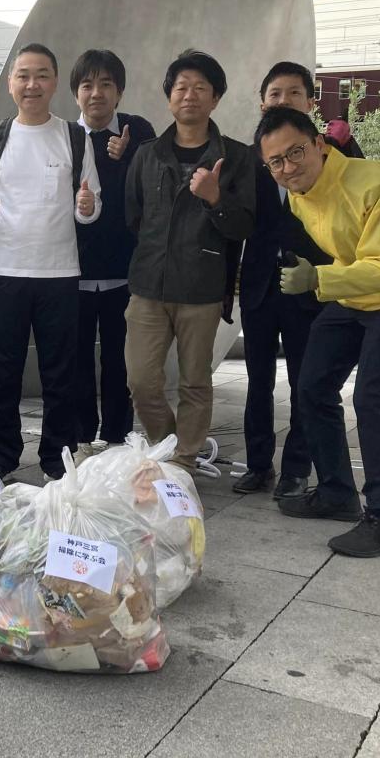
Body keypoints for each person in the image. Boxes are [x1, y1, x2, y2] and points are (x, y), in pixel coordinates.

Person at [256, 106, 380, 557]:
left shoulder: (376, 182)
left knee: (372, 398)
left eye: (295, 153)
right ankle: (337, 492)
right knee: (312, 386)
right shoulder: (300, 195)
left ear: (320, 145)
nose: (287, 168)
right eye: (275, 163)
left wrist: (318, 280)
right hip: (354, 292)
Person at [0, 43, 102, 482]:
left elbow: (92, 206)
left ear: (54, 82)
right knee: (1, 371)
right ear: (11, 83)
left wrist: (85, 204)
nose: (32, 84)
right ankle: (1, 457)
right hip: (6, 271)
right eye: (23, 75)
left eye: (41, 75)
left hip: (60, 274)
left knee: (60, 373)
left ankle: (55, 459)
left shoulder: (75, 137)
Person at [124, 50, 255, 472]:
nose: (190, 95)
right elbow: (134, 216)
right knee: (141, 380)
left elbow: (245, 225)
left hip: (201, 286)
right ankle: (166, 446)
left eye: (201, 88)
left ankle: (182, 462)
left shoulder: (236, 157)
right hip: (148, 285)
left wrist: (216, 198)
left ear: (215, 99)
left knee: (195, 381)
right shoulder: (146, 155)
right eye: (181, 87)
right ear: (168, 98)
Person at [234, 62, 336, 499]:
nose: (283, 102)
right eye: (275, 95)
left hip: (309, 285)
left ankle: (296, 468)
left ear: (310, 102)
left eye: (293, 94)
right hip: (260, 285)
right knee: (257, 381)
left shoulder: (332, 153)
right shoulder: (247, 158)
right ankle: (259, 465)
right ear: (262, 103)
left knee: (304, 381)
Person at [70, 49, 156, 455]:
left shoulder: (137, 132)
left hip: (125, 270)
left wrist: (130, 156)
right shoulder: (66, 138)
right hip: (74, 270)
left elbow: (155, 181)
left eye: (106, 84)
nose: (96, 93)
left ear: (119, 92)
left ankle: (119, 439)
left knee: (123, 363)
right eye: (87, 85)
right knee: (78, 361)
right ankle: (82, 435)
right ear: (75, 94)